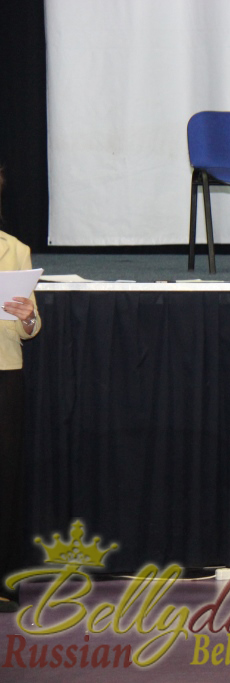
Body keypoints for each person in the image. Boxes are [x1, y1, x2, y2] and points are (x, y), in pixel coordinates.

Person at [0, 168, 41, 612]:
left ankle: (2, 581)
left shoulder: (16, 249)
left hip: (5, 370)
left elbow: (31, 324)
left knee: (5, 479)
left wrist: (28, 317)